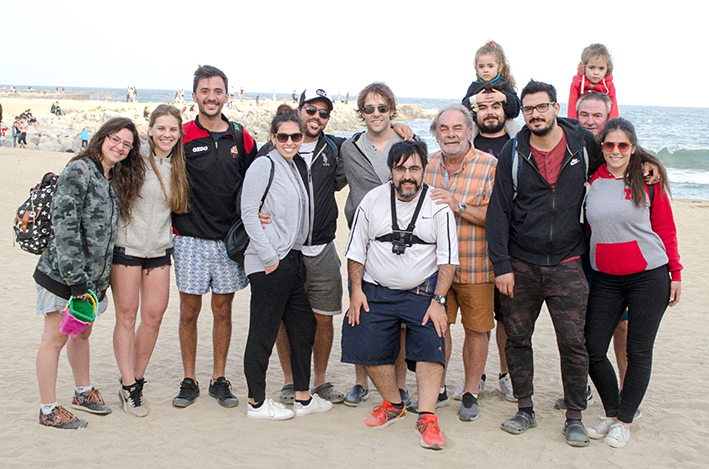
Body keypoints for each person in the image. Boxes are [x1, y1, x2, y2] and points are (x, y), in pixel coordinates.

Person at [486, 80, 603, 447]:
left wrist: (647, 170)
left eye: (542, 107)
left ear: (555, 107)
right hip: (521, 263)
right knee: (518, 339)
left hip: (569, 262)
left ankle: (574, 416)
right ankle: (524, 408)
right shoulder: (513, 151)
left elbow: (614, 168)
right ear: (523, 113)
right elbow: (498, 211)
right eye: (529, 109)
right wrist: (501, 264)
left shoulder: (583, 143)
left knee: (573, 342)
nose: (535, 114)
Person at [342, 140, 458, 450]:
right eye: (400, 169)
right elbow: (356, 250)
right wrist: (356, 291)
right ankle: (393, 403)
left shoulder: (438, 205)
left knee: (431, 344)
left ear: (424, 170)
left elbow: (448, 260)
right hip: (375, 290)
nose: (407, 176)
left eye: (414, 168)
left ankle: (428, 416)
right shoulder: (373, 200)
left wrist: (439, 301)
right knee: (363, 341)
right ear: (391, 171)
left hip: (422, 292)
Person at [34, 117, 142, 429]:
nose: (120, 147)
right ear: (102, 137)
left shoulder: (110, 175)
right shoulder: (79, 170)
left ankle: (82, 392)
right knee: (54, 339)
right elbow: (65, 228)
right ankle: (48, 409)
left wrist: (95, 283)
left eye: (127, 144)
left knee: (82, 332)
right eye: (115, 139)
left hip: (91, 281)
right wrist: (77, 282)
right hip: (63, 276)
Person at [584, 118, 681, 448]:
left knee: (639, 352)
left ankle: (624, 420)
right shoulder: (591, 181)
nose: (615, 151)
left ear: (633, 148)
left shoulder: (647, 180)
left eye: (622, 145)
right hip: (606, 278)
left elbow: (666, 230)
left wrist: (676, 274)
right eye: (609, 145)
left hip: (648, 276)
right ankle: (613, 412)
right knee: (593, 349)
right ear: (602, 148)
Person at [171, 65, 257, 409]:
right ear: (194, 96)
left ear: (226, 95)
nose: (211, 97)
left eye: (217, 91)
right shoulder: (182, 134)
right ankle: (189, 379)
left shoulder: (240, 136)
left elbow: (262, 175)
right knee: (189, 312)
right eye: (204, 91)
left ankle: (218, 378)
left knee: (223, 311)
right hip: (188, 237)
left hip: (229, 241)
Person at [242, 108, 333, 420]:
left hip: (293, 260)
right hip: (271, 261)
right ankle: (255, 402)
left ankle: (303, 397)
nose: (291, 141)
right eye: (283, 136)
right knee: (263, 333)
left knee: (303, 325)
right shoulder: (263, 165)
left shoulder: (294, 165)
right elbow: (248, 212)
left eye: (296, 136)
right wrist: (269, 258)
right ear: (272, 137)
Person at [258, 88, 348, 405]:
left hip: (322, 248)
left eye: (324, 113)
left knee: (323, 318)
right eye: (311, 110)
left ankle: (320, 381)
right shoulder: (275, 150)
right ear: (299, 110)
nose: (316, 117)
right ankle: (289, 380)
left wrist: (398, 128)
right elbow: (250, 188)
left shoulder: (335, 148)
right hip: (285, 250)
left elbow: (370, 143)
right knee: (284, 318)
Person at [111, 105, 190, 417]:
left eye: (172, 129)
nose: (166, 135)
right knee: (127, 318)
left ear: (179, 132)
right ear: (151, 129)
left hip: (159, 250)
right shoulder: (133, 157)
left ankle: (136, 376)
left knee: (154, 316)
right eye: (161, 128)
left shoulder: (180, 163)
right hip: (127, 247)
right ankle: (129, 387)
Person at [423, 104, 497, 421]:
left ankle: (470, 392)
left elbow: (496, 219)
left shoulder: (489, 166)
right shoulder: (425, 166)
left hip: (476, 263)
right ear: (436, 133)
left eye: (457, 128)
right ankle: (437, 387)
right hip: (435, 266)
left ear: (470, 131)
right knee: (438, 328)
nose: (450, 134)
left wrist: (459, 204)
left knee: (477, 330)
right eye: (444, 128)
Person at [341, 82, 414, 407]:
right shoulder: (349, 147)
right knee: (361, 312)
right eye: (369, 109)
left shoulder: (406, 143)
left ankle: (400, 385)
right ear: (361, 113)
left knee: (398, 321)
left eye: (382, 108)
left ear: (391, 111)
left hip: (401, 242)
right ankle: (361, 382)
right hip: (361, 242)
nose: (375, 114)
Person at [461, 41, 521, 121]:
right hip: (479, 124)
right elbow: (462, 109)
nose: (485, 70)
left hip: (503, 123)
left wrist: (505, 97)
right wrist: (474, 100)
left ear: (499, 67)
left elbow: (516, 109)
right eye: (481, 66)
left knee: (514, 129)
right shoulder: (474, 86)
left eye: (490, 66)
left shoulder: (505, 84)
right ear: (476, 68)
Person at [568, 43, 618, 119]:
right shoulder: (577, 83)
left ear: (607, 69)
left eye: (601, 68)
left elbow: (613, 109)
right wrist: (573, 127)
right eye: (592, 68)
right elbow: (572, 108)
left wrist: (612, 127)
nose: (596, 72)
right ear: (584, 67)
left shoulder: (609, 85)